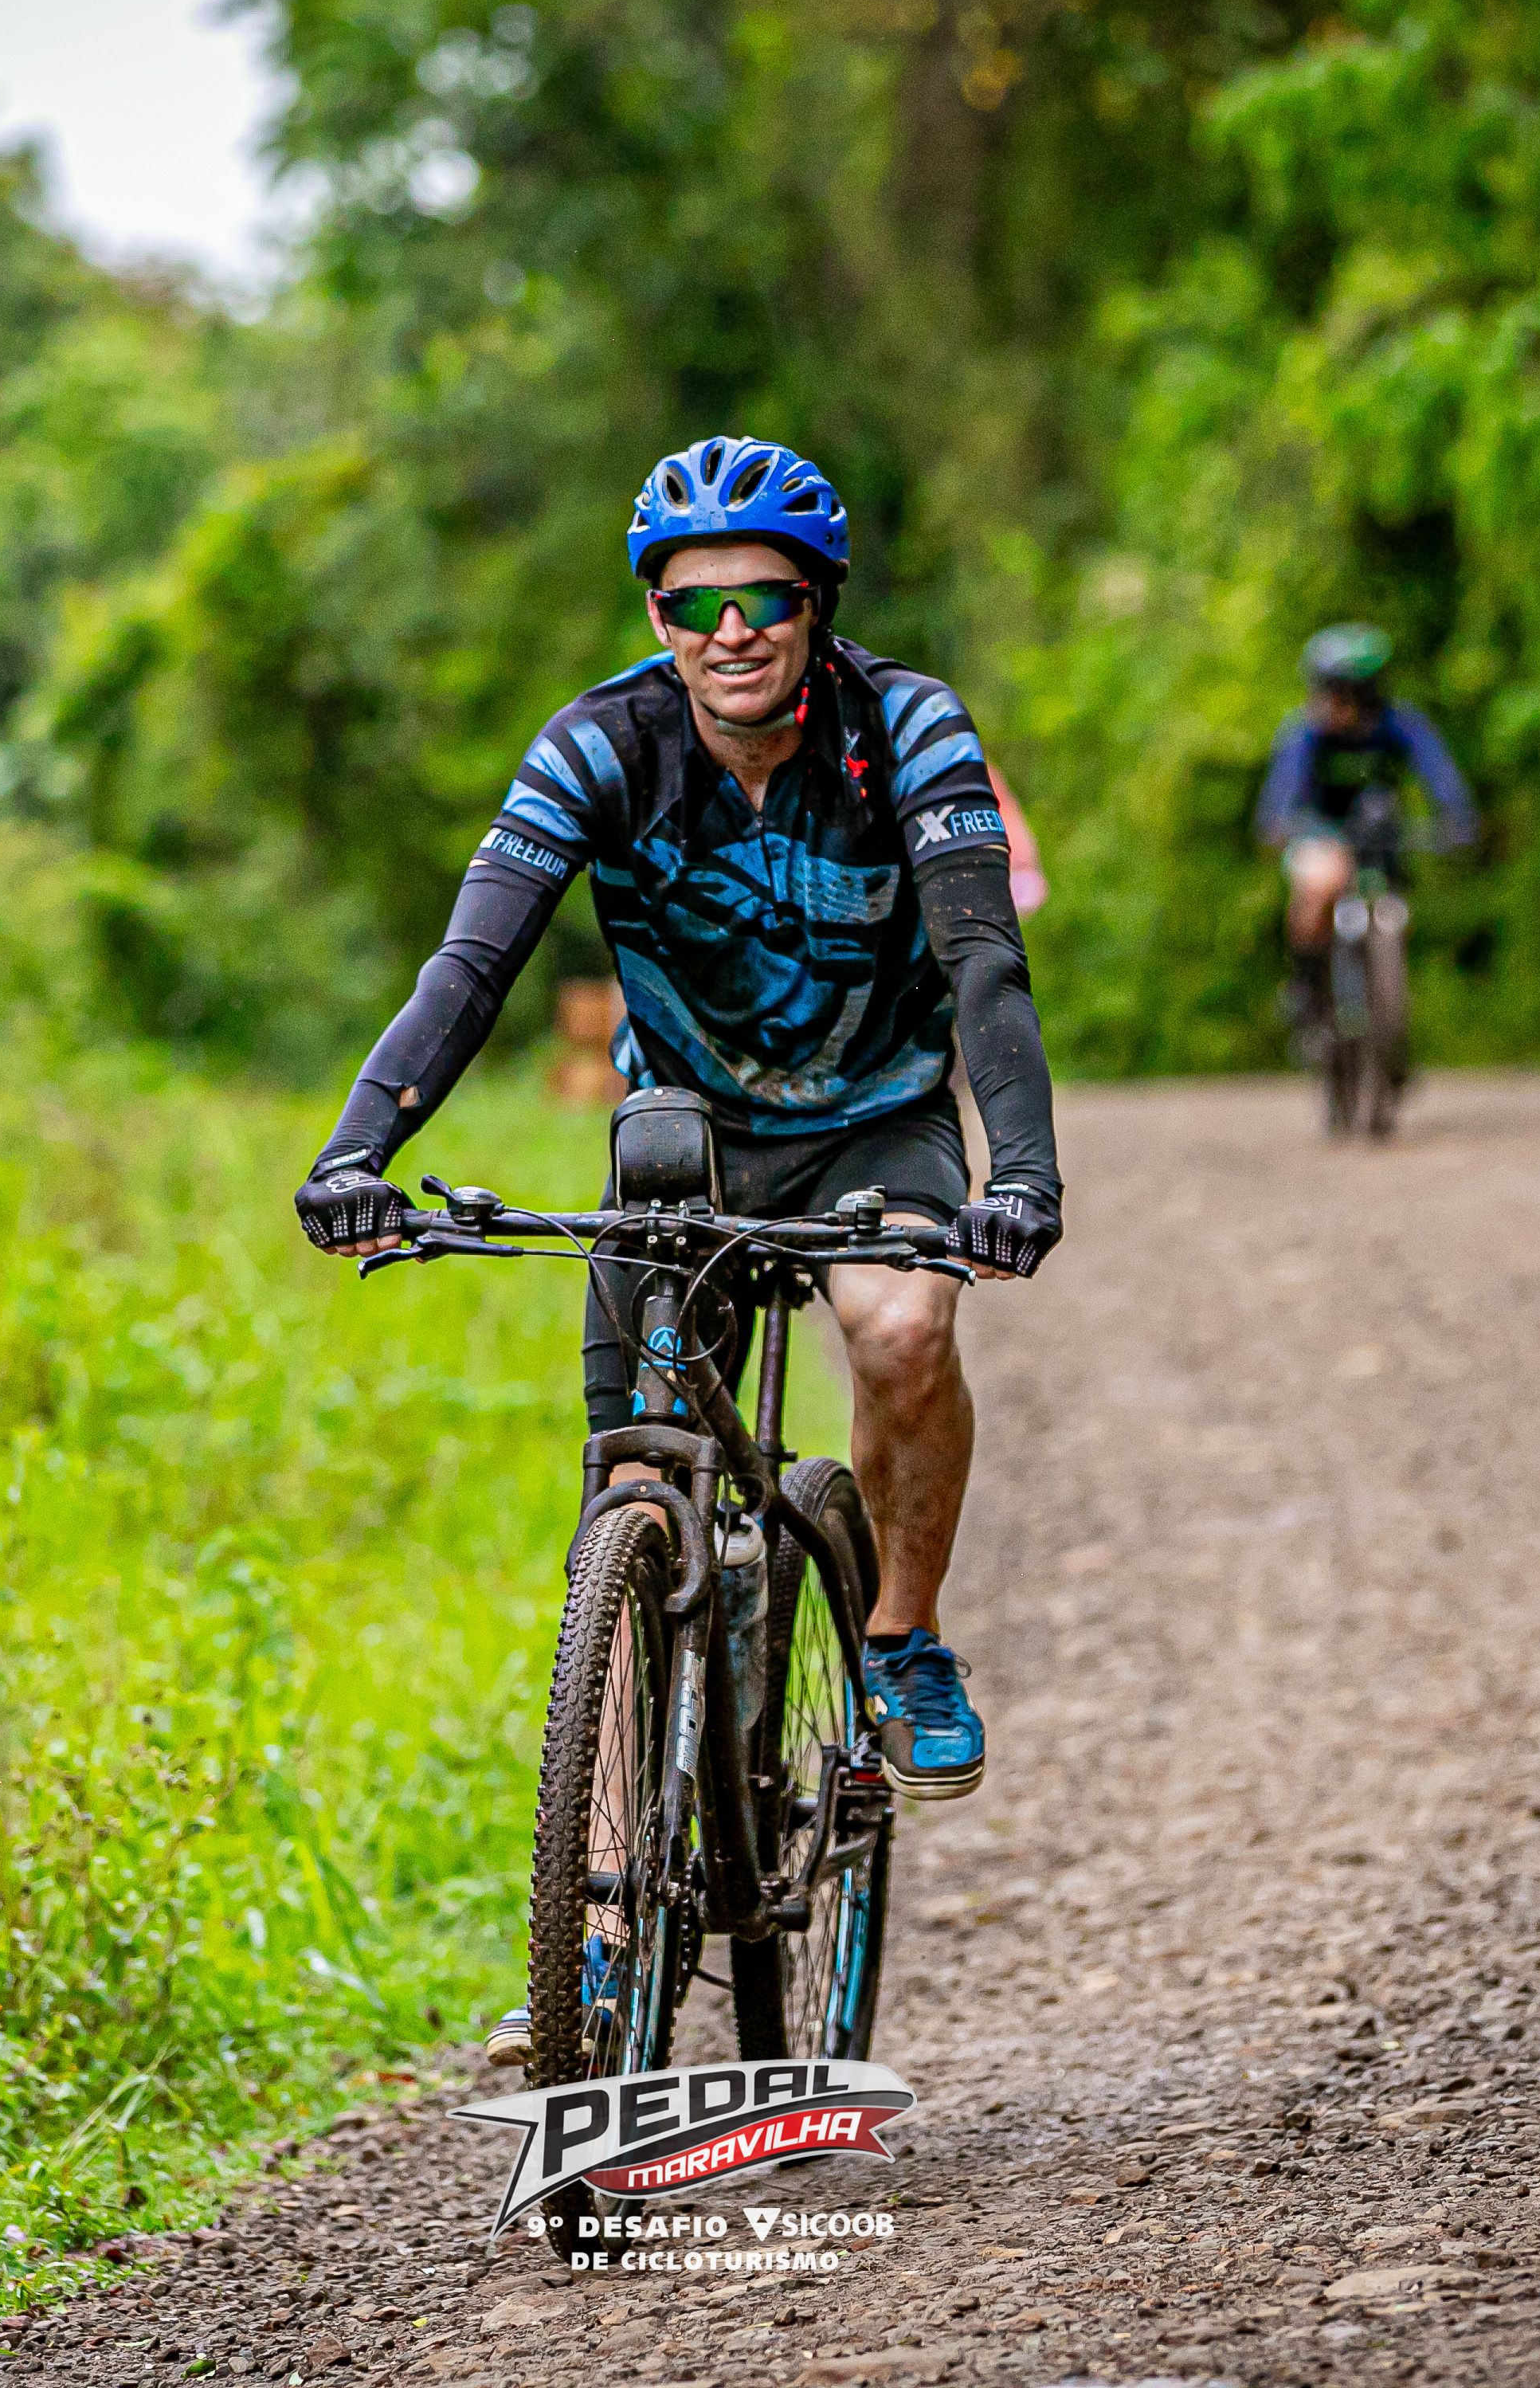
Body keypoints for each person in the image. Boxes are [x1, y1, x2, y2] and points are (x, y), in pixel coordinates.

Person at [292, 436, 1062, 2063]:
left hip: (877, 1122)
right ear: (656, 615)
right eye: (693, 602)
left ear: (817, 604)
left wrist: (1025, 1172)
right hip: (683, 1139)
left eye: (762, 598)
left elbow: (984, 960)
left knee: (903, 1333)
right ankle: (594, 1940)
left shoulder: (909, 729)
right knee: (635, 1503)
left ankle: (902, 1641)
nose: (730, 631)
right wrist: (360, 1149)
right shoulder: (600, 747)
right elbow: (471, 965)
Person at [1256, 624, 1479, 1041]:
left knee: (1394, 897)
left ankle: (1386, 997)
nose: (1328, 702)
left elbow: (1440, 774)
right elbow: (1284, 790)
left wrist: (1459, 819)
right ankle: (1306, 990)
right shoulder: (1305, 732)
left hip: (1381, 832)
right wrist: (1277, 823)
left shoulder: (1402, 724)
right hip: (1320, 829)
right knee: (1319, 888)